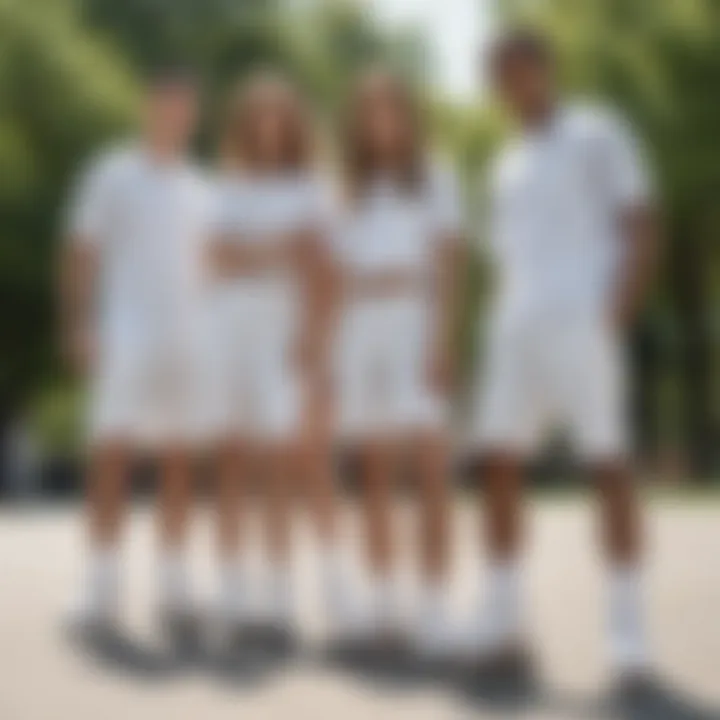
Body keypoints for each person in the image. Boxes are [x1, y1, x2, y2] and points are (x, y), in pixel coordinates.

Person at [468, 29, 658, 689]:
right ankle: (504, 624)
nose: (512, 83)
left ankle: (628, 640)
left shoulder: (597, 132)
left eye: (521, 68)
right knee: (496, 462)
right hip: (514, 329)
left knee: (608, 464)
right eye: (499, 75)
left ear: (547, 68)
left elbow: (641, 223)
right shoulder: (504, 162)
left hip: (582, 323)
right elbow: (509, 255)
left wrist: (612, 315)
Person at [60, 68, 214, 634]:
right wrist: (79, 323)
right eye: (166, 102)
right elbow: (81, 250)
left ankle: (175, 586)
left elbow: (210, 271)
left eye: (186, 105)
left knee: (180, 460)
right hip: (126, 332)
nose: (176, 113)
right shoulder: (111, 173)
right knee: (112, 453)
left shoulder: (202, 188)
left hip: (188, 339)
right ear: (147, 106)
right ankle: (100, 587)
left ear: (193, 115)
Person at [207, 71, 344, 644]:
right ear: (244, 124)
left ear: (294, 124)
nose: (269, 124)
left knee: (288, 466)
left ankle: (283, 598)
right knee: (234, 463)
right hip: (231, 333)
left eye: (279, 113)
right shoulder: (228, 187)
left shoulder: (314, 187)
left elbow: (324, 269)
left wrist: (313, 344)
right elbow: (214, 259)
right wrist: (281, 249)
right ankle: (236, 597)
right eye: (258, 113)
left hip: (286, 337)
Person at [332, 69, 463, 655]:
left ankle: (435, 609)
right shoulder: (344, 189)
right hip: (357, 327)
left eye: (392, 109)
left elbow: (451, 266)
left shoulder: (436, 178)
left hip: (414, 319)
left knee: (430, 469)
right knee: (374, 471)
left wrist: (443, 339)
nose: (382, 121)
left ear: (409, 117)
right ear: (357, 123)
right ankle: (384, 604)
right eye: (371, 111)